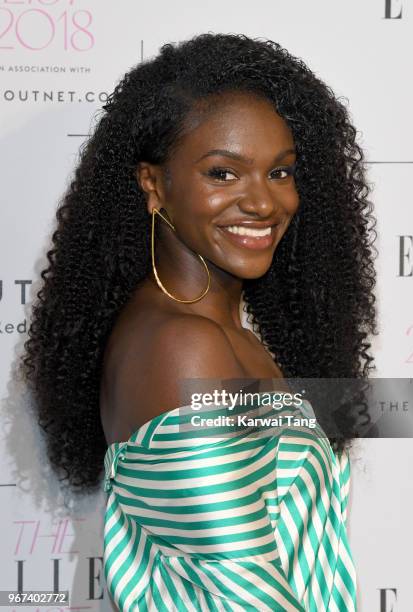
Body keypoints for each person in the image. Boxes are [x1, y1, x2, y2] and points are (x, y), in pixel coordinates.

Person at [21, 32, 377, 611]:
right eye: (223, 173)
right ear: (153, 184)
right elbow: (243, 592)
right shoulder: (180, 347)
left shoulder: (220, 332)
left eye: (281, 172)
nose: (264, 203)